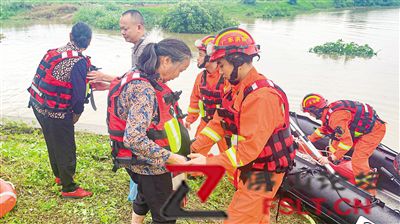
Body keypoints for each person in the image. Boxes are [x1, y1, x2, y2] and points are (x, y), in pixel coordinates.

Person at [186, 27, 297, 224]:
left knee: (237, 219)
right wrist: (194, 147)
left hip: (264, 174)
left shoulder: (262, 97)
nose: (219, 71)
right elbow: (219, 122)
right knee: (258, 216)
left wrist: (207, 162)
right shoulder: (236, 87)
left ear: (237, 61)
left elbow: (248, 149)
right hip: (250, 168)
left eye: (222, 65)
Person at [107, 38, 191, 224]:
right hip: (150, 166)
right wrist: (173, 158)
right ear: (166, 60)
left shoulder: (138, 74)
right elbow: (134, 138)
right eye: (180, 69)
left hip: (138, 162)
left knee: (144, 196)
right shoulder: (144, 90)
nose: (178, 75)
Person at [27, 22, 93, 198]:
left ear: (70, 35)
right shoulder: (78, 62)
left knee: (52, 140)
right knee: (65, 147)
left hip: (37, 104)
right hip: (55, 112)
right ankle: (69, 188)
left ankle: (59, 176)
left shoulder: (53, 53)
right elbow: (78, 97)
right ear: (89, 42)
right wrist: (77, 114)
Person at [301, 94, 386, 196]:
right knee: (334, 144)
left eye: (310, 112)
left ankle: (370, 193)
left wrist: (330, 158)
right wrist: (307, 140)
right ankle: (334, 169)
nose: (310, 115)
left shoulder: (336, 117)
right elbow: (323, 130)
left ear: (316, 110)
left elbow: (346, 143)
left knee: (358, 160)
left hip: (373, 131)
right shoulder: (329, 113)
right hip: (359, 129)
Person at [185, 35, 228, 155]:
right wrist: (190, 119)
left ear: (211, 57)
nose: (197, 58)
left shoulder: (227, 77)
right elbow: (195, 99)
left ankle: (231, 174)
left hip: (223, 125)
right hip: (206, 122)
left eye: (200, 55)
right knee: (195, 150)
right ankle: (196, 173)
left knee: (230, 157)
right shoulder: (200, 78)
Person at [88, 9, 150, 88]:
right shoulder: (139, 45)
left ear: (138, 27)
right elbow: (133, 77)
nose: (122, 32)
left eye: (125, 29)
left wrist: (103, 77)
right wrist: (109, 86)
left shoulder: (146, 48)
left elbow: (139, 81)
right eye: (121, 29)